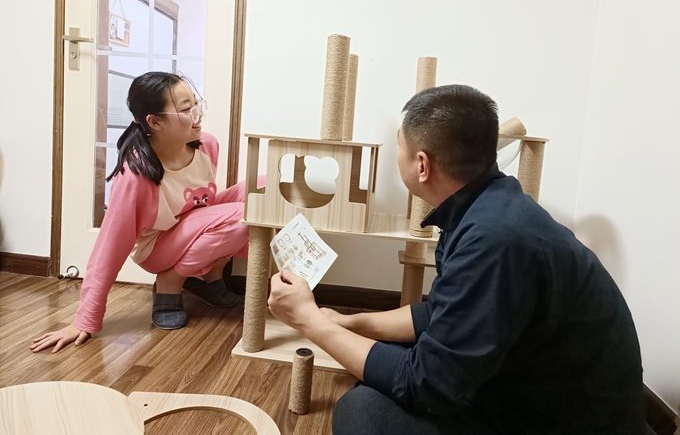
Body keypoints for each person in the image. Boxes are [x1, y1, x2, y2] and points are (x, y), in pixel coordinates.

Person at [267, 85, 644, 434]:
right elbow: (441, 313)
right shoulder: (485, 205)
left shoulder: (493, 240)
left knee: (364, 412)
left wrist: (308, 319)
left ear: (421, 165)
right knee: (379, 364)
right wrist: (351, 323)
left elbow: (424, 385)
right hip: (530, 384)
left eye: (399, 146)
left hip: (565, 420)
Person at [32, 71, 250, 353]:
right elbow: (110, 246)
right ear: (154, 122)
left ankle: (209, 278)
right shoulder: (136, 175)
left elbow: (202, 206)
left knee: (260, 191)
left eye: (197, 105)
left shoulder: (207, 144)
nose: (198, 115)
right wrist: (84, 319)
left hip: (190, 228)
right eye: (186, 109)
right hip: (156, 248)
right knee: (243, 217)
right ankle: (170, 281)